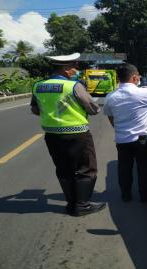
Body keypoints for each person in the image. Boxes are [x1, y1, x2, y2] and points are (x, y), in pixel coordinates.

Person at [30, 52, 106, 216]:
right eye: (74, 66)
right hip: (77, 134)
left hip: (51, 135)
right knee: (86, 169)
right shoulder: (73, 86)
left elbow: (35, 110)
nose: (76, 69)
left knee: (64, 169)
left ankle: (71, 203)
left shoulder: (38, 86)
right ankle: (82, 206)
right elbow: (93, 109)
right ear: (65, 68)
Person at [104, 64, 147, 202]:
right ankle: (146, 196)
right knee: (145, 168)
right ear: (134, 77)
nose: (139, 78)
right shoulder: (144, 92)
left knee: (124, 169)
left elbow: (110, 116)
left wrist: (119, 129)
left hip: (122, 139)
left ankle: (126, 195)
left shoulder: (110, 97)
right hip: (143, 140)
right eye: (138, 75)